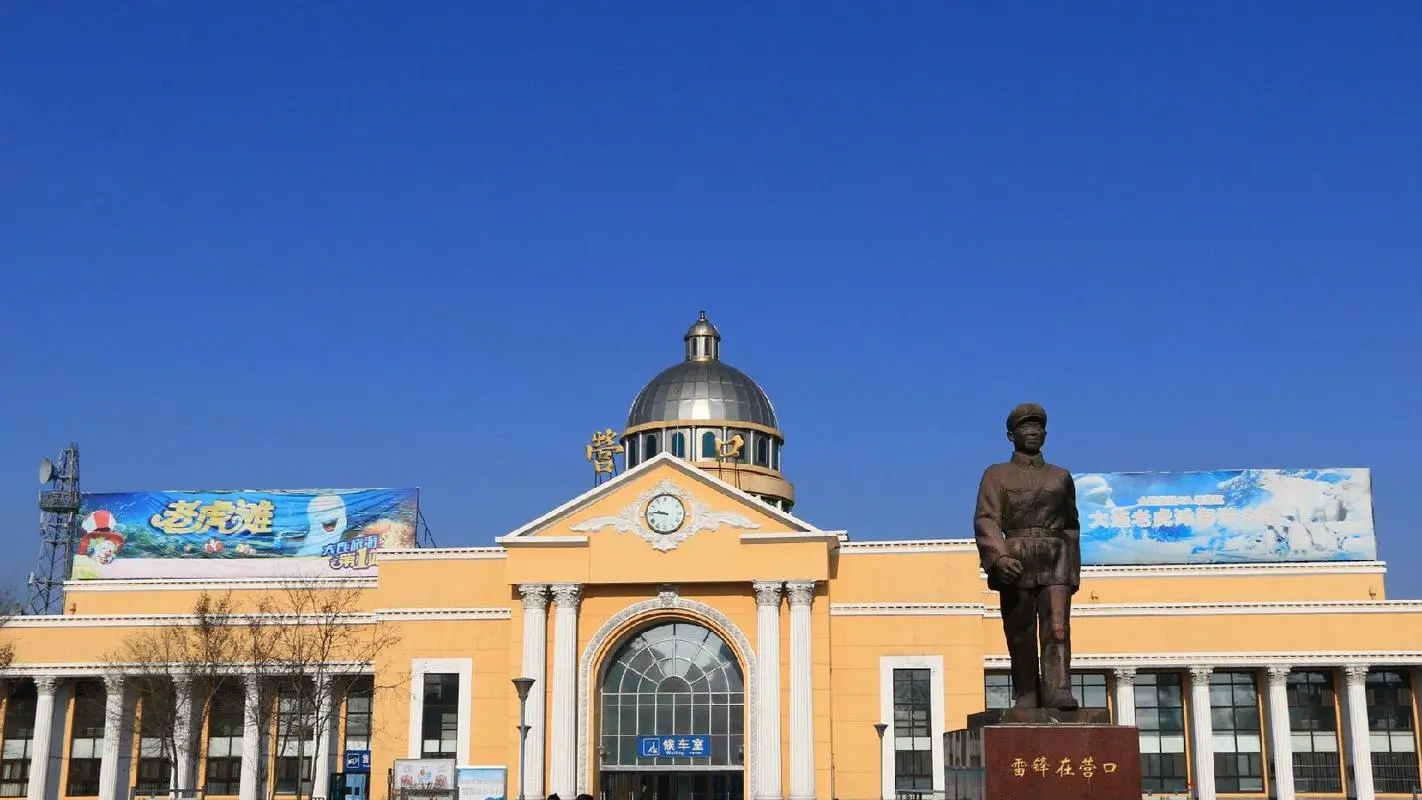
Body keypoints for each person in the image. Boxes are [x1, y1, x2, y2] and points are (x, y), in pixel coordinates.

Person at [973, 403, 1082, 711]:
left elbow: (1072, 525)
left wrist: (1072, 570)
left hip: (1055, 557)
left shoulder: (1061, 477)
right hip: (1016, 558)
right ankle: (1026, 692)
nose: (1032, 433)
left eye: (1038, 428)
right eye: (1025, 428)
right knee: (1020, 633)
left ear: (1045, 434)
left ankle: (1058, 690)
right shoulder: (996, 475)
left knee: (1057, 628)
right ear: (1012, 435)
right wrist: (998, 557)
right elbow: (986, 518)